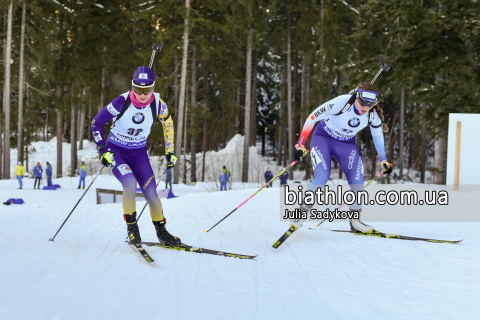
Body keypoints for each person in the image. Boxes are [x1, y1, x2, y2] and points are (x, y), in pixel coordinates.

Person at [91, 66, 181, 246]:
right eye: (138, 89)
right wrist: (102, 150)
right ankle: (132, 229)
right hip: (116, 151)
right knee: (130, 183)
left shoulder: (158, 104)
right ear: (132, 87)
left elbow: (168, 125)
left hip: (138, 153)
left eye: (147, 90)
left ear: (153, 88)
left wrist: (170, 151)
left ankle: (162, 232)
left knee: (151, 193)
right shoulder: (120, 102)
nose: (142, 94)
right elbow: (96, 123)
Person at [292, 82, 392, 233]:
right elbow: (312, 117)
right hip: (323, 138)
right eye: (362, 102)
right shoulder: (341, 102)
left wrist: (383, 159)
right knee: (321, 177)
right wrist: (300, 144)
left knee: (358, 180)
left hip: (346, 144)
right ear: (356, 97)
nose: (365, 107)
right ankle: (300, 213)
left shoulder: (372, 116)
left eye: (369, 105)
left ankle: (356, 222)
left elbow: (378, 137)